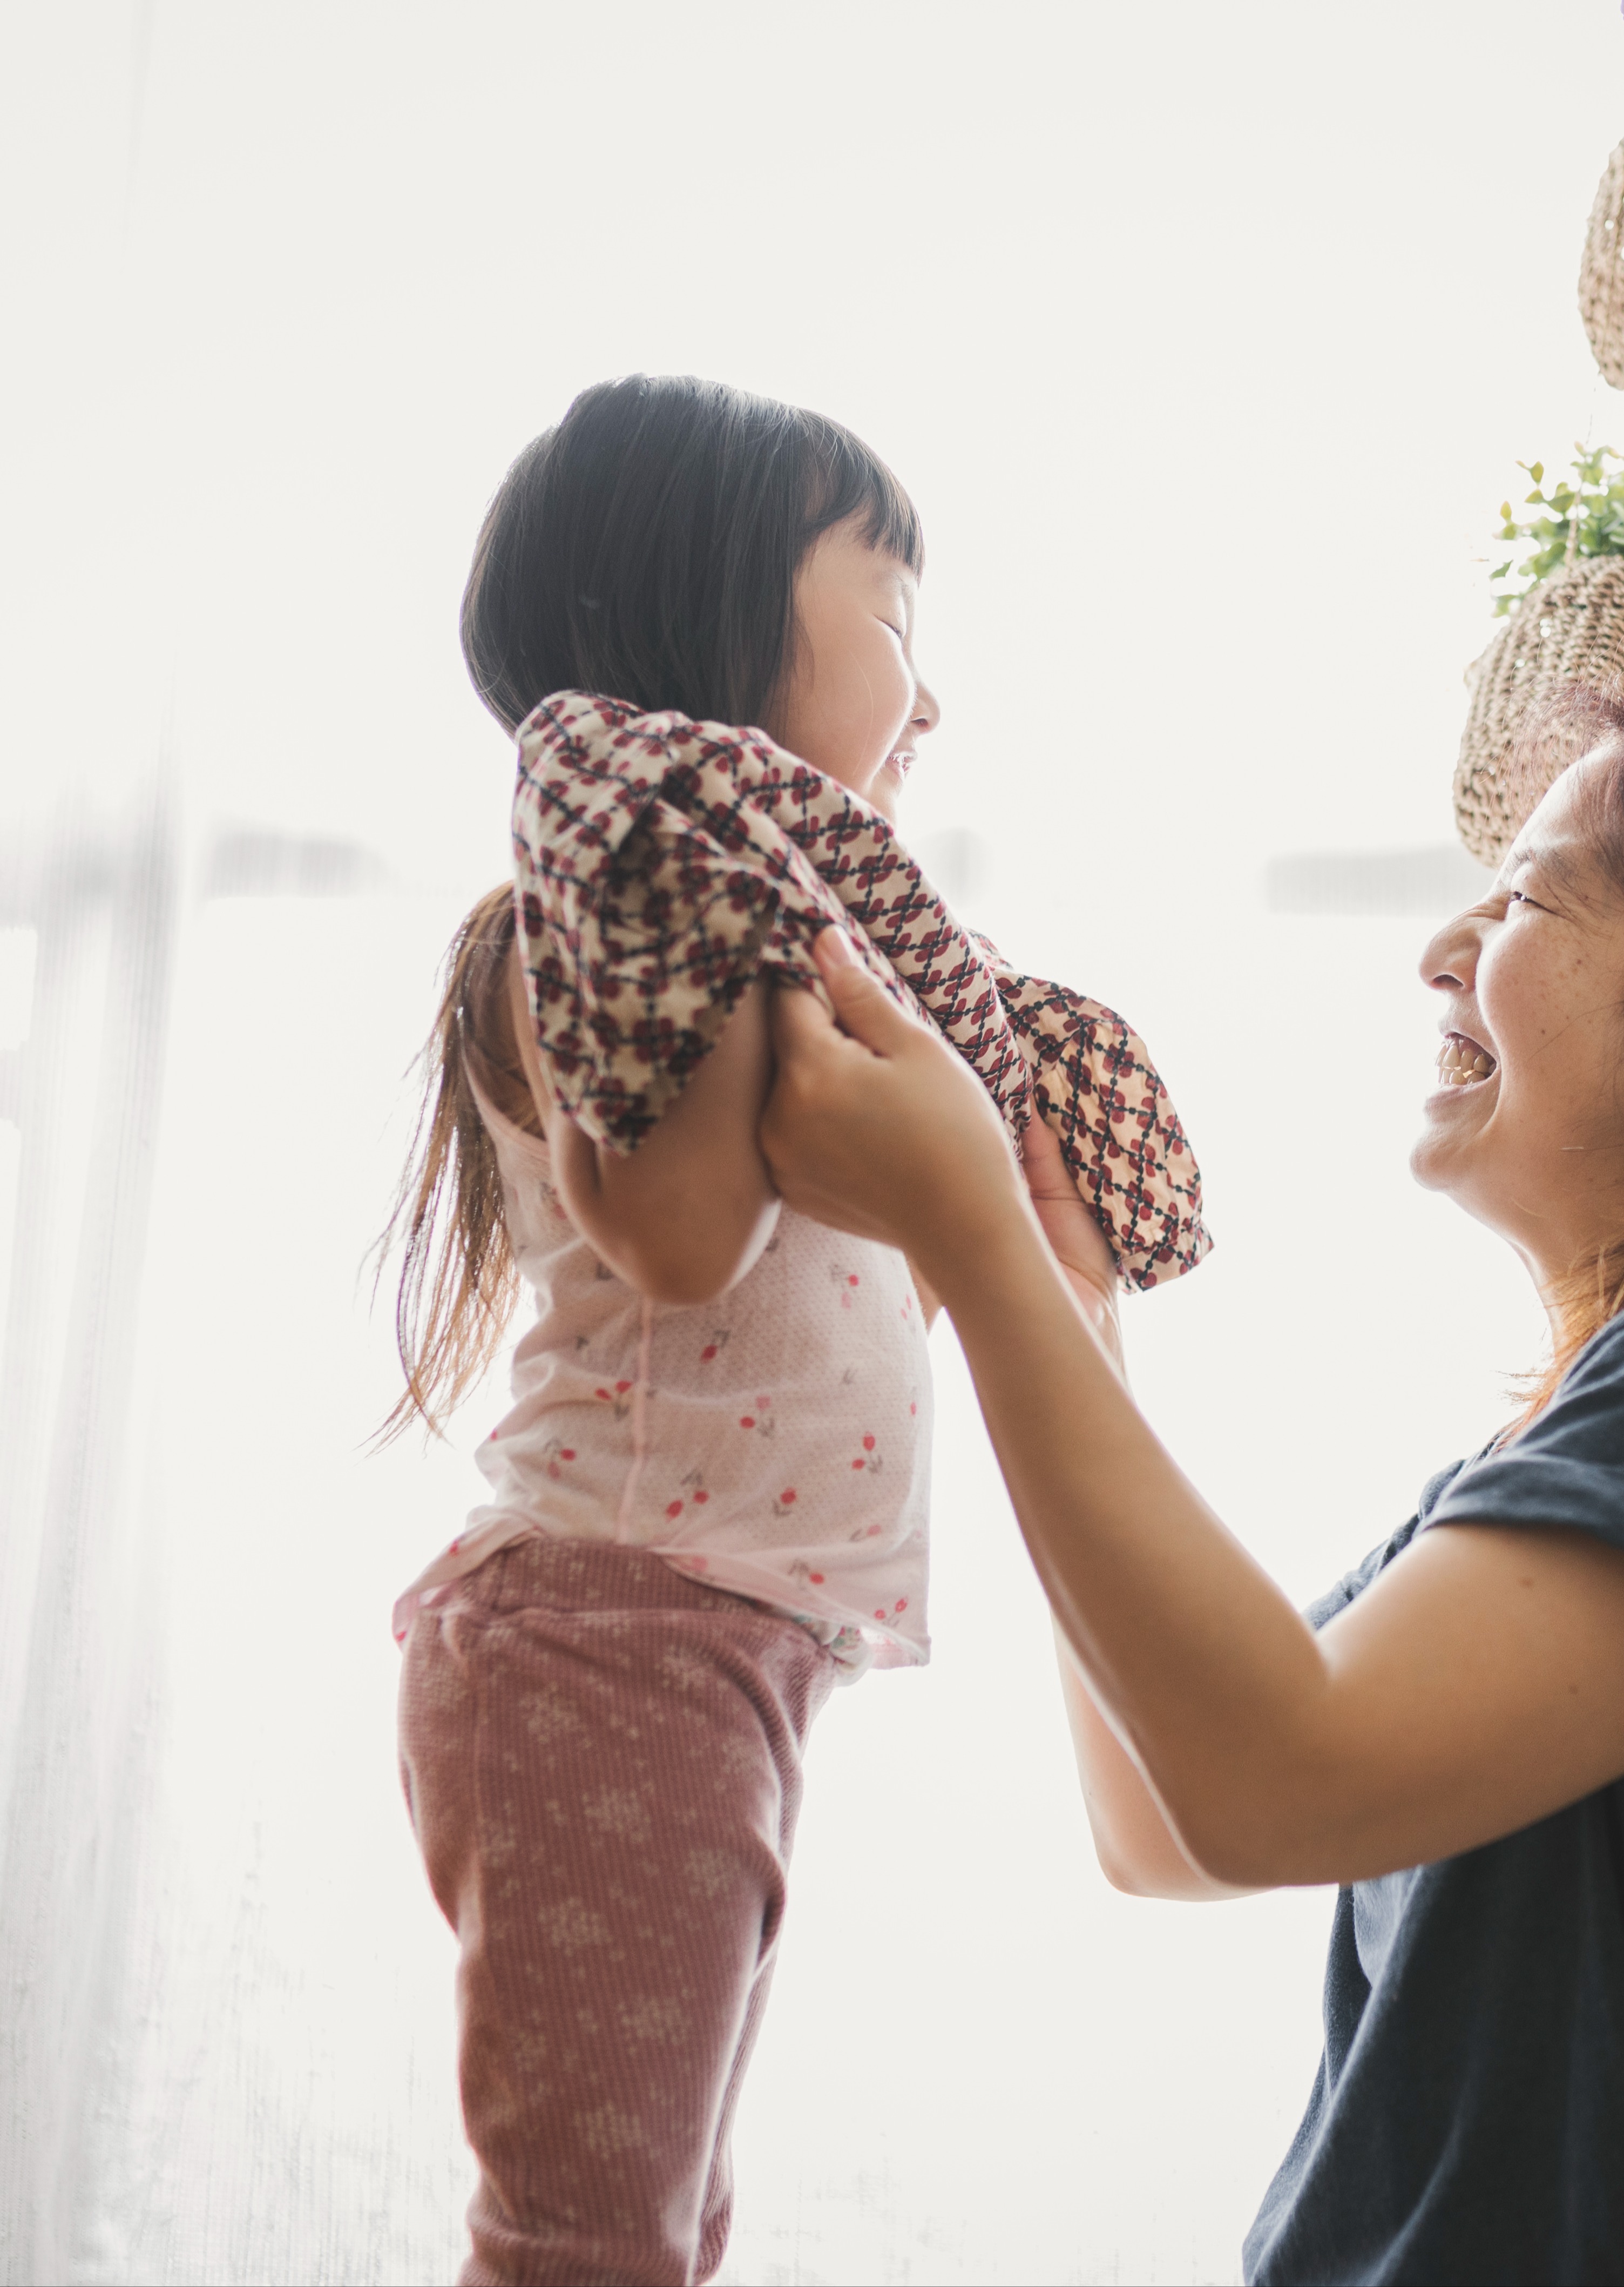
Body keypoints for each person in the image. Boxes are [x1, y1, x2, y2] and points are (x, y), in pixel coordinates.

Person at [759, 674, 1624, 2285]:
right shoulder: (1603, 1423)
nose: (1441, 947)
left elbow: (1271, 1780)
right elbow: (1166, 1819)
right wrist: (1061, 1288)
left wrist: (974, 1240)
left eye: (1528, 899)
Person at [376, 374, 1206, 2287]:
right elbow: (677, 1238)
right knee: (591, 2238)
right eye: (898, 617)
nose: (934, 693)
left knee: (660, 2219)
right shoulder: (590, 928)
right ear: (695, 608)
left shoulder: (802, 942)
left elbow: (916, 1270)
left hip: (703, 1639)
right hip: (612, 1630)